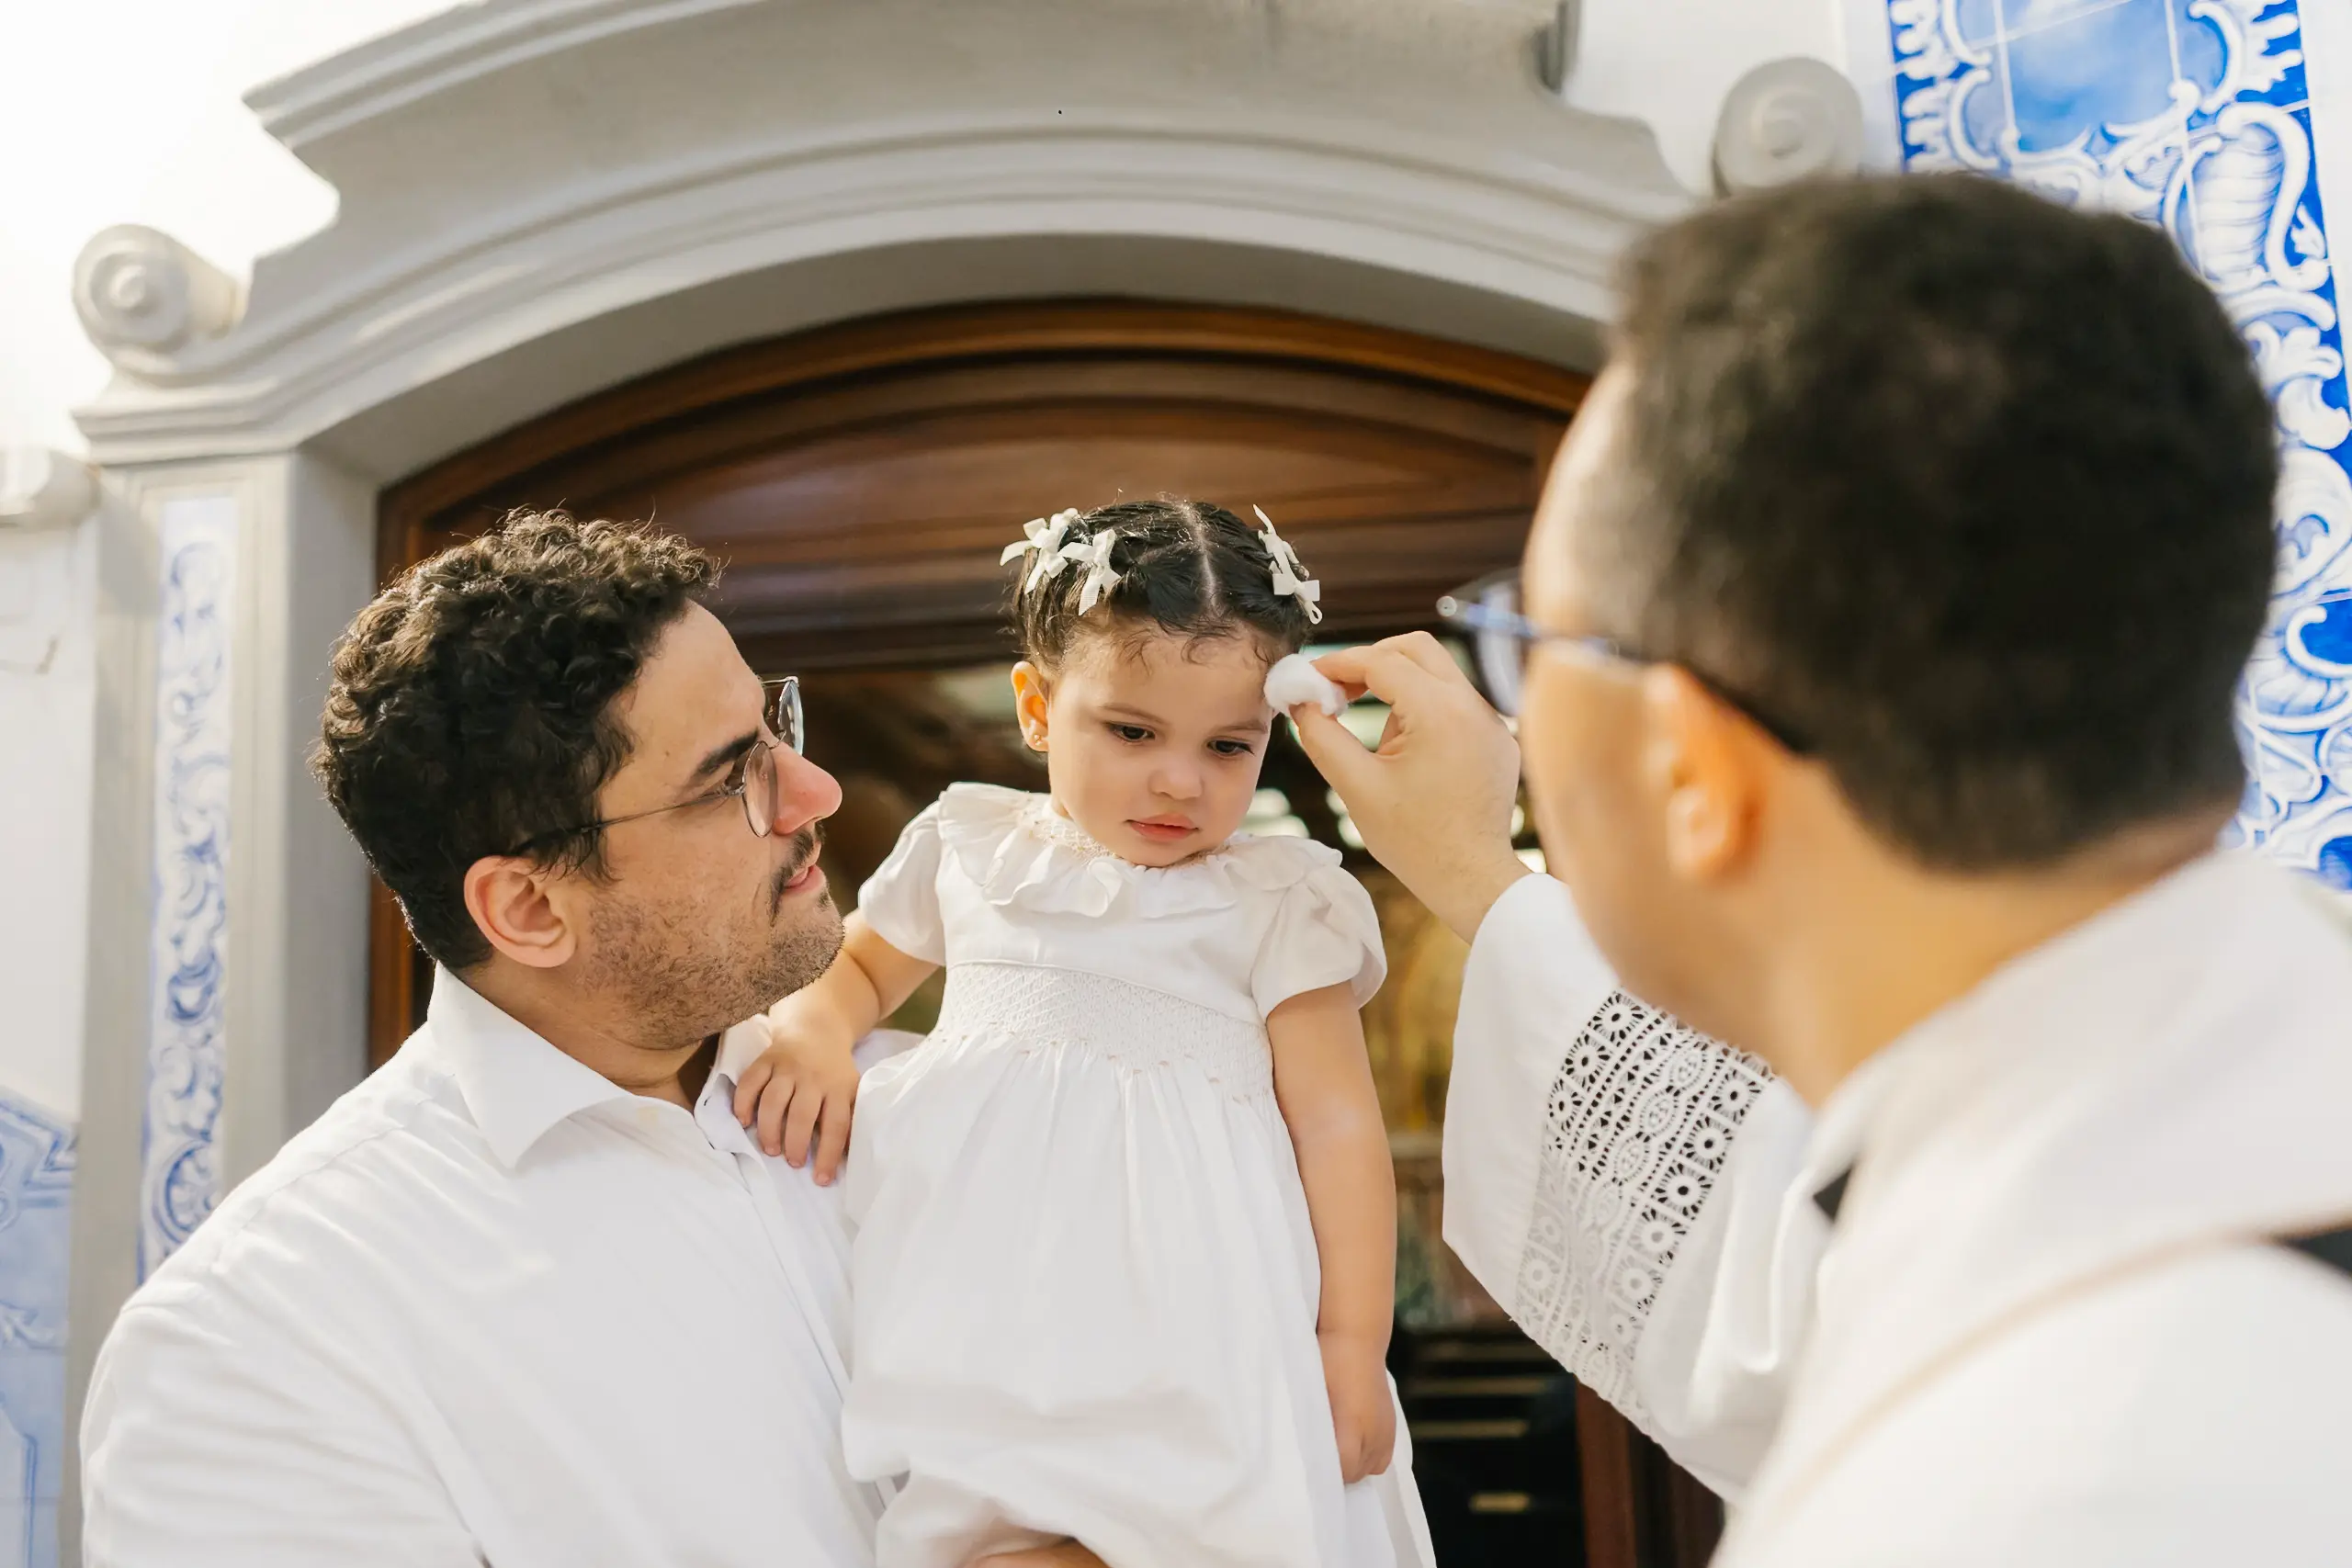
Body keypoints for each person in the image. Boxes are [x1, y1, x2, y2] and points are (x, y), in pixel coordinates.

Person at [1284, 175, 2352, 1564]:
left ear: (1693, 761)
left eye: (1531, 647)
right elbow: (1777, 1249)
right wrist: (1483, 879)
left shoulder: (2032, 1489)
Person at [78, 514, 1098, 1568]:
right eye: (729, 776)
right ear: (526, 907)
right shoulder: (264, 1340)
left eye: (775, 725)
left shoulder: (943, 1106)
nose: (813, 791)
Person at [739, 499, 1435, 1568]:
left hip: (1197, 1304)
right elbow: (864, 968)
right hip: (986, 1286)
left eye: (1227, 746)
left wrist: (1350, 1344)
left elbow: (1338, 1126)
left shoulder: (1276, 899)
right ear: (1036, 704)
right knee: (975, 1514)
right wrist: (815, 1032)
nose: (1178, 779)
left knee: (1206, 1517)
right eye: (1132, 731)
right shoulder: (972, 845)